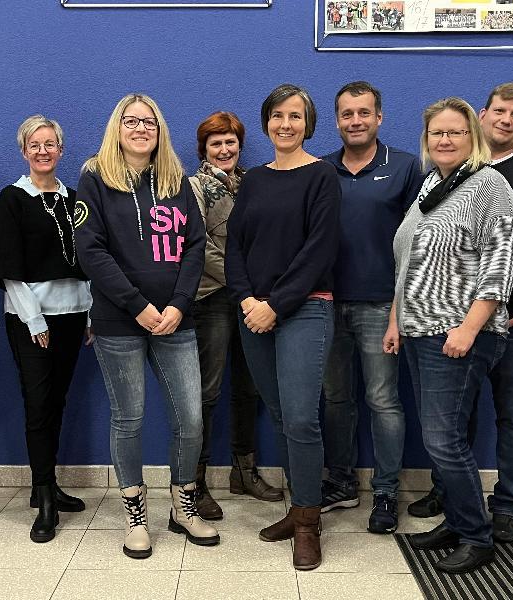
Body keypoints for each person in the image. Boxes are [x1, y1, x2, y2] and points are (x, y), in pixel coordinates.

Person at [408, 83, 513, 540]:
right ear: (484, 115)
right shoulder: (442, 178)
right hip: (446, 324)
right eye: (498, 110)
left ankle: (505, 507)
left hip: (511, 319)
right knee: (451, 422)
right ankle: (455, 505)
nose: (505, 119)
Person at [75, 93, 218, 559]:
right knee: (129, 418)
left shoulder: (176, 179)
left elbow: (195, 245)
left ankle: (183, 507)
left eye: (149, 122)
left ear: (160, 130)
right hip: (120, 321)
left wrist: (179, 303)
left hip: (176, 320)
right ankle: (136, 514)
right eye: (131, 121)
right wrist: (137, 305)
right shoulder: (94, 176)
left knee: (190, 419)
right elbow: (90, 251)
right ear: (118, 127)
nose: (140, 129)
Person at [386, 97, 513, 573]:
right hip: (421, 331)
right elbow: (408, 260)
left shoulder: (491, 187)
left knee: (444, 439)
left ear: (474, 137)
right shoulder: (431, 186)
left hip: (459, 333)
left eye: (455, 133)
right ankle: (458, 521)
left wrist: (468, 328)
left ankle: (478, 536)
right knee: (441, 434)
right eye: (437, 133)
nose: (445, 140)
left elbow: (499, 267)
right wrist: (395, 320)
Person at [226, 84, 341, 571]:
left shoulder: (322, 176)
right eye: (277, 115)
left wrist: (275, 303)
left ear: (308, 124)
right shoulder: (252, 180)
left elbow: (319, 249)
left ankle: (309, 524)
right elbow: (235, 247)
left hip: (305, 309)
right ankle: (296, 511)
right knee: (278, 415)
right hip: (253, 312)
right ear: (266, 122)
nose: (285, 124)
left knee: (301, 419)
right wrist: (249, 299)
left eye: (295, 116)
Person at [320, 82, 424, 533]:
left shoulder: (405, 168)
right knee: (335, 400)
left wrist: (400, 311)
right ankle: (341, 483)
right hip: (323, 305)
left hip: (383, 304)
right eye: (347, 114)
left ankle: (385, 493)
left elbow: (419, 245)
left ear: (379, 117)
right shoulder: (320, 169)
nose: (355, 121)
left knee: (383, 400)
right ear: (337, 120)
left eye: (364, 112)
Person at [0, 115, 92, 544]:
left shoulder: (75, 201)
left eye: (50, 144)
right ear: (24, 151)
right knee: (38, 403)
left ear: (61, 150)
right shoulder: (12, 199)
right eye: (34, 145)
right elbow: (11, 269)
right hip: (30, 318)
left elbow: (88, 260)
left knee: (58, 400)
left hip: (73, 315)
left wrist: (89, 315)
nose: (43, 151)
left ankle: (48, 485)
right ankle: (43, 496)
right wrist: (35, 321)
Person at [189, 112, 283, 521]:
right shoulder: (192, 187)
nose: (225, 150)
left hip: (252, 300)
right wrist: (240, 280)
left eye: (231, 142)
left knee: (251, 386)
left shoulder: (254, 182)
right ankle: (196, 482)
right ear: (204, 149)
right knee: (207, 392)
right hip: (212, 298)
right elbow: (198, 242)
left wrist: (255, 288)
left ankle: (244, 471)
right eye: (216, 144)